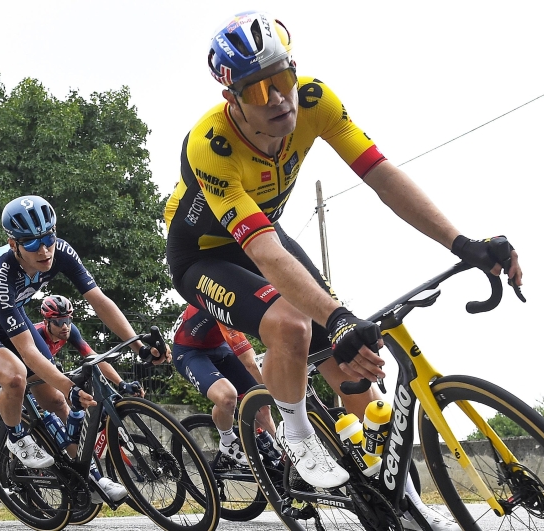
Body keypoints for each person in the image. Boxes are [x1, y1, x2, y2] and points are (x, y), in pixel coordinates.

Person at [163, 11, 520, 528]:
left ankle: (406, 505)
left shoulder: (315, 99)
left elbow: (382, 175)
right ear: (232, 99)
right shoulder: (209, 144)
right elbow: (263, 254)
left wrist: (461, 242)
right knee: (292, 324)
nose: (279, 98)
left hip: (264, 230)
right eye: (259, 91)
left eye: (282, 78)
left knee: (358, 375)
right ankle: (293, 430)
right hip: (205, 254)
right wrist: (335, 317)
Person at [0, 195, 166, 503]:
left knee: (57, 401)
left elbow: (99, 300)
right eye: (33, 244)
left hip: (13, 316)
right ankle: (15, 436)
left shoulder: (61, 251)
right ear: (13, 245)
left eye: (49, 239)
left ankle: (92, 476)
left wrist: (138, 343)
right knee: (14, 377)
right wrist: (69, 385)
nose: (44, 250)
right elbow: (27, 352)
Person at [34, 294, 137, 502]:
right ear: (46, 322)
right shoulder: (37, 335)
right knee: (60, 402)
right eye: (60, 322)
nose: (65, 326)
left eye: (69, 320)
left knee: (78, 404)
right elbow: (46, 371)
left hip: (47, 371)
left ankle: (76, 456)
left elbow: (94, 358)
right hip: (28, 371)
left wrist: (121, 384)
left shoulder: (69, 331)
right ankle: (94, 478)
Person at [171, 304, 277, 466]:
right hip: (189, 352)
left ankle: (268, 454)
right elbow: (251, 363)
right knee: (227, 397)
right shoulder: (222, 302)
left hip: (219, 346)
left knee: (260, 404)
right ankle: (227, 441)